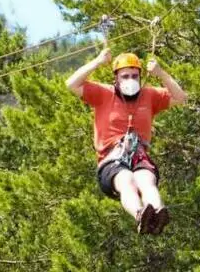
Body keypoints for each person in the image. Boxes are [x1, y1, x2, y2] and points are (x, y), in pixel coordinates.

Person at [66, 48, 187, 234]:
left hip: (139, 156)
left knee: (146, 180)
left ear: (140, 77)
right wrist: (97, 61)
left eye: (134, 75)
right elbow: (71, 84)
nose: (130, 80)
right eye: (125, 76)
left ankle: (157, 211)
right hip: (112, 160)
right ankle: (140, 214)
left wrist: (160, 73)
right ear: (116, 78)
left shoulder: (150, 96)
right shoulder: (104, 93)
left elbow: (181, 98)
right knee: (127, 180)